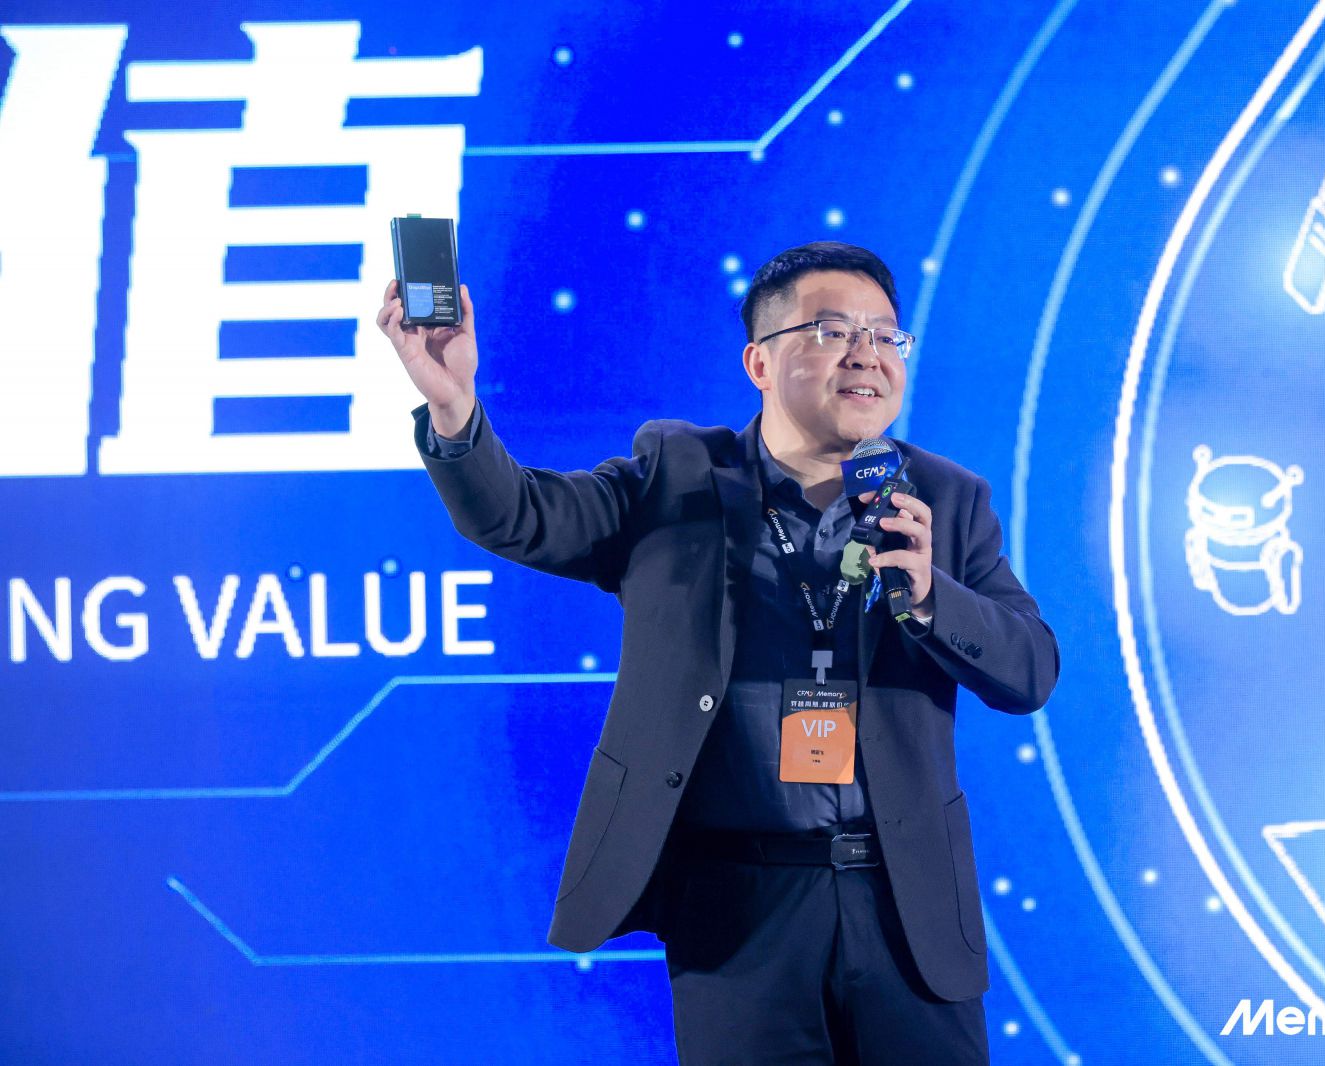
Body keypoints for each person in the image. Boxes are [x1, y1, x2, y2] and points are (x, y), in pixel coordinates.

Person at [375, 241, 1058, 1064]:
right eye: (833, 332)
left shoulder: (944, 499)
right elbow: (522, 515)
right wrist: (454, 408)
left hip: (904, 905)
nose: (867, 355)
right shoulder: (676, 477)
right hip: (739, 913)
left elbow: (1030, 670)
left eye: (885, 335)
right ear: (759, 363)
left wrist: (930, 596)